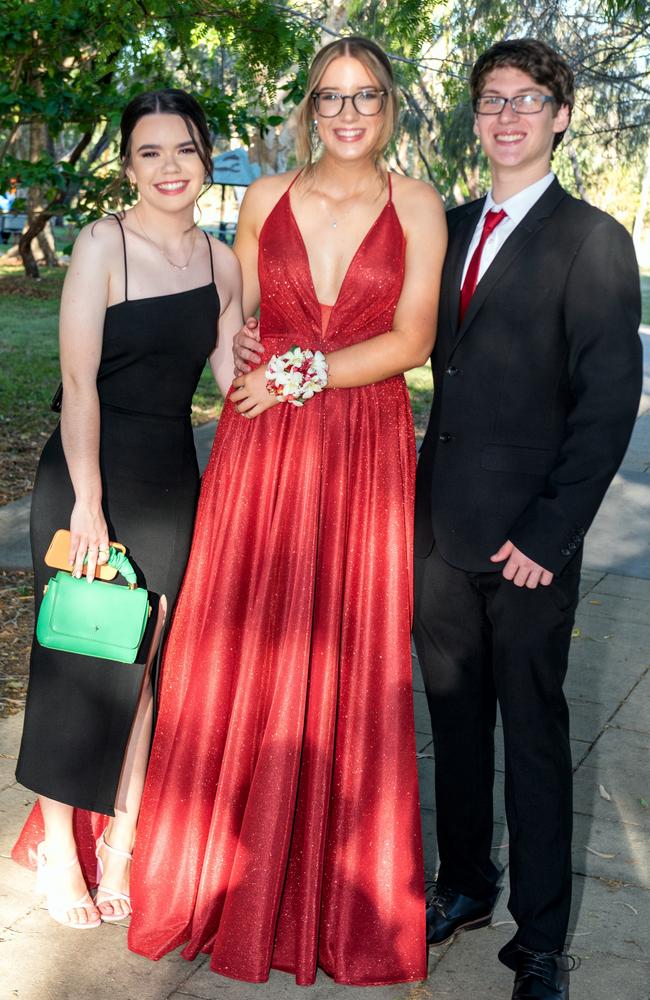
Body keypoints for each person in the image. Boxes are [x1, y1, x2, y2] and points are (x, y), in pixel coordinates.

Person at [128, 36, 446, 986]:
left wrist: (307, 372)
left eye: (367, 98)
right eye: (330, 98)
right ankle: (222, 881)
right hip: (263, 450)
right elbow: (245, 315)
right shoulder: (263, 199)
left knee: (346, 651)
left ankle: (336, 901)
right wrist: (259, 363)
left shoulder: (419, 205)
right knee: (245, 641)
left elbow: (414, 336)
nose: (348, 115)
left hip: (362, 450)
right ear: (308, 108)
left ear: (391, 108)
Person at [412, 38, 642, 1000]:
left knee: (535, 738)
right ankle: (465, 884)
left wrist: (550, 538)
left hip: (528, 549)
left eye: (527, 99)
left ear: (560, 114)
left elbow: (607, 405)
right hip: (439, 534)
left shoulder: (594, 239)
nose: (505, 115)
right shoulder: (448, 225)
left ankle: (539, 939)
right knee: (454, 728)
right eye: (490, 100)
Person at [12, 89, 242, 929]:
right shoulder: (103, 243)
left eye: (184, 149)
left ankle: (124, 843)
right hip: (86, 477)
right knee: (78, 665)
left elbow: (232, 379)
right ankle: (61, 854)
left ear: (206, 158)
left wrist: (308, 379)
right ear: (128, 166)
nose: (170, 167)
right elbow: (78, 385)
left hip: (172, 485)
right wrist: (90, 506)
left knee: (142, 673)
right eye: (150, 153)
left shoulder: (223, 265)